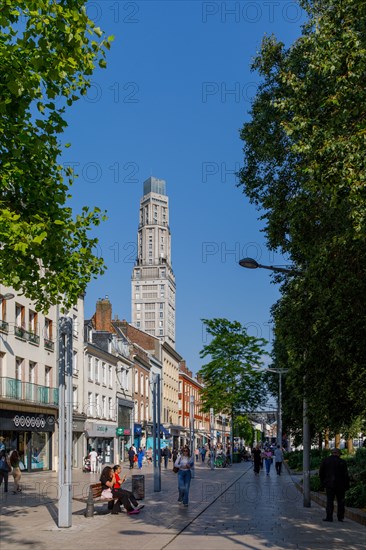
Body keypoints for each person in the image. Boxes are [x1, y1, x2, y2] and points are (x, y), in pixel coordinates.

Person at [319, 448, 350, 522]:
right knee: (341, 501)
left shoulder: (326, 460)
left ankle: (329, 517)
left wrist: (323, 482)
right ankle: (340, 517)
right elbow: (346, 475)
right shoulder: (343, 462)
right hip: (340, 485)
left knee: (330, 501)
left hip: (329, 485)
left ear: (332, 453)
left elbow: (321, 472)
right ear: (338, 453)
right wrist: (347, 485)